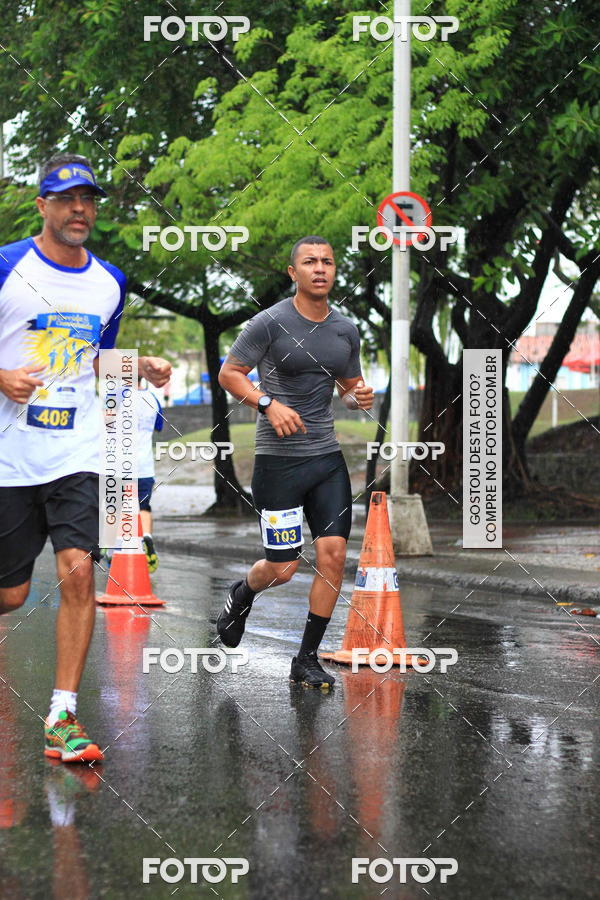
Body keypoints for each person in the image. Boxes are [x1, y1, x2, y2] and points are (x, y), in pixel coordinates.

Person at [0, 153, 171, 762]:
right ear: (42, 204)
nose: (80, 210)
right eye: (67, 198)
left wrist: (139, 364)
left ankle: (62, 717)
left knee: (78, 572)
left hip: (79, 452)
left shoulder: (109, 282)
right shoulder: (7, 266)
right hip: (10, 458)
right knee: (12, 595)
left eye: (88, 199)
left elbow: (93, 357)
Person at [217, 235, 373, 688]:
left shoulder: (345, 329)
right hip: (277, 463)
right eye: (309, 262)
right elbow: (230, 373)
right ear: (293, 273)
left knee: (333, 554)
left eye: (327, 261)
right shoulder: (269, 323)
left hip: (325, 459)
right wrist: (267, 403)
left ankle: (305, 658)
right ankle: (242, 593)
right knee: (283, 569)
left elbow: (350, 389)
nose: (320, 268)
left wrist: (357, 396)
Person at [136, 374, 164, 572]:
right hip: (144, 465)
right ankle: (147, 538)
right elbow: (159, 427)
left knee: (116, 507)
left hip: (118, 465)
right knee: (143, 506)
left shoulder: (115, 396)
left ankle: (113, 550)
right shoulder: (152, 398)